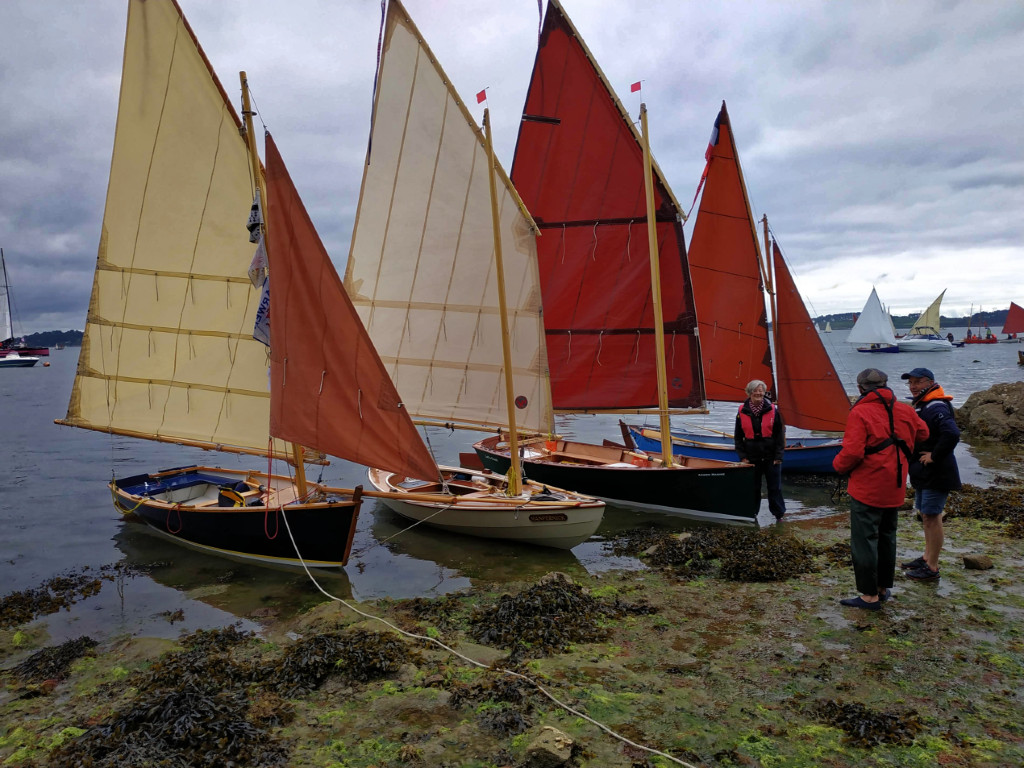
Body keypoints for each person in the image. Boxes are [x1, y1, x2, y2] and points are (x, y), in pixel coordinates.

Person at [833, 369, 928, 610]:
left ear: (861, 388)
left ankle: (869, 595)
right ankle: (883, 588)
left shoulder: (860, 412)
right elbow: (924, 433)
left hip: (868, 486)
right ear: (886, 385)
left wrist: (837, 465)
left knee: (865, 541)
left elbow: (852, 452)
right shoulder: (905, 409)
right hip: (895, 485)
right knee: (887, 537)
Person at [900, 367, 961, 581]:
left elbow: (952, 433)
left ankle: (932, 567)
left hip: (937, 472)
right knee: (926, 516)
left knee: (933, 517)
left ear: (930, 383)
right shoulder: (923, 405)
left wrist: (934, 455)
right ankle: (926, 557)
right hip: (924, 473)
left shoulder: (936, 406)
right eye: (910, 383)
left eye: (918, 382)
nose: (913, 386)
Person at [734, 379, 786, 520]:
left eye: (761, 391)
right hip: (752, 457)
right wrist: (742, 457)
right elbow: (738, 437)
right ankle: (752, 513)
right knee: (753, 488)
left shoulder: (773, 410)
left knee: (775, 488)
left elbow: (780, 436)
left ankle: (779, 514)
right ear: (750, 392)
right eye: (756, 391)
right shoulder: (742, 411)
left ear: (764, 393)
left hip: (770, 457)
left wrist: (778, 456)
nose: (758, 393)